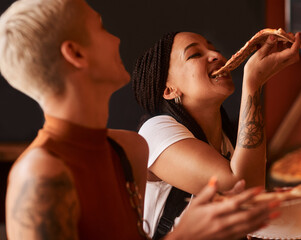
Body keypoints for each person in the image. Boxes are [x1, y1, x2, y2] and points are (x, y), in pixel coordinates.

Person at [0, 0, 279, 239]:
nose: (117, 39)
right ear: (75, 53)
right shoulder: (38, 175)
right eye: (100, 27)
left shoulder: (129, 149)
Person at [131, 31, 301, 237]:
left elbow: (252, 199)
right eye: (195, 55)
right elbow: (243, 192)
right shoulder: (156, 131)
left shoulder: (227, 138)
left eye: (214, 49)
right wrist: (253, 84)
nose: (216, 55)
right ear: (169, 89)